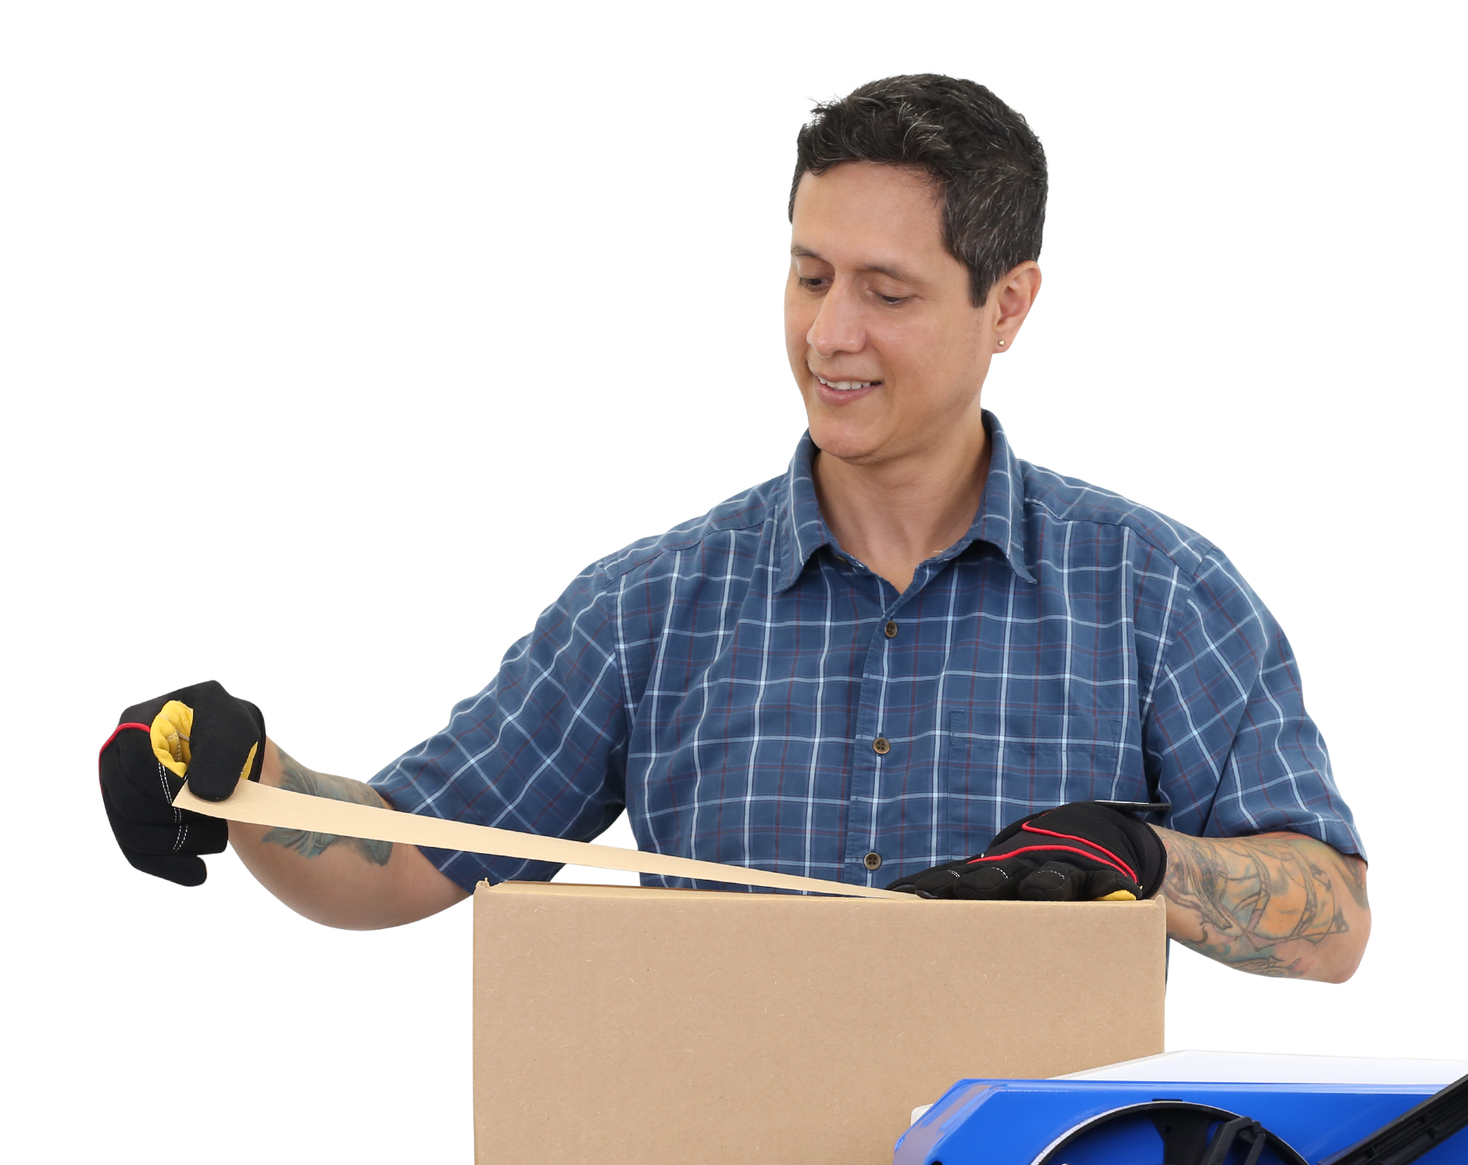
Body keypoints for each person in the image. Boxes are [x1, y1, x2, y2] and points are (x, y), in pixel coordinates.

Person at [99, 75, 1369, 982]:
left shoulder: (1157, 593)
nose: (830, 335)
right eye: (810, 275)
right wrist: (240, 774)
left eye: (888, 290)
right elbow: (403, 856)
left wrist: (1142, 857)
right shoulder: (648, 608)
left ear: (1009, 304)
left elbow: (1329, 924)